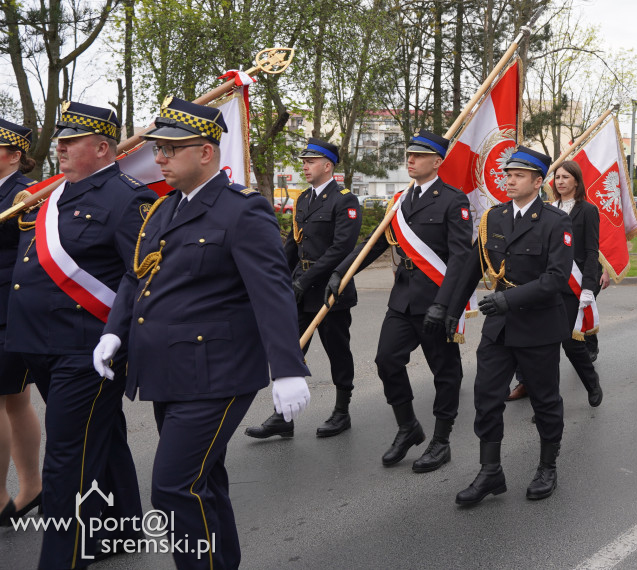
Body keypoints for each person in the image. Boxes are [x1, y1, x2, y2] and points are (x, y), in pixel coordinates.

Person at [93, 97, 311, 569]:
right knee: (203, 483)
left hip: (218, 374)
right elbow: (137, 278)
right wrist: (115, 332)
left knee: (173, 487)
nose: (160, 158)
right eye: (158, 149)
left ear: (206, 152)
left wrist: (288, 369)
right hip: (169, 372)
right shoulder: (162, 210)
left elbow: (272, 294)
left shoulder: (241, 212)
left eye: (171, 149)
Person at [5, 101, 153, 566]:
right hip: (42, 344)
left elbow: (140, 277)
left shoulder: (129, 198)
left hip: (89, 349)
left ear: (104, 148)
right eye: (61, 139)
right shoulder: (51, 196)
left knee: (67, 457)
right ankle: (125, 529)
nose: (61, 147)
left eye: (72, 140)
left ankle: (62, 558)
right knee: (103, 438)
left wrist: (118, 338)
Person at [325, 130, 472, 472]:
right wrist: (341, 272)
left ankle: (441, 440)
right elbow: (374, 244)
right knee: (386, 360)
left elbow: (462, 258)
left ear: (437, 162)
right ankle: (408, 427)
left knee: (445, 372)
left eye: (419, 155)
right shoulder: (400, 201)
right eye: (409, 154)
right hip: (403, 299)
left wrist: (445, 303)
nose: (410, 159)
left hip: (436, 301)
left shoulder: (453, 200)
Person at [448, 145, 573, 505]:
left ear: (538, 181)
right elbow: (473, 267)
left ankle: (547, 467)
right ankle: (490, 472)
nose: (510, 180)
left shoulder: (555, 221)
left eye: (518, 175)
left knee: (545, 400)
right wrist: (450, 311)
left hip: (538, 326)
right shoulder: (494, 218)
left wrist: (507, 299)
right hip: (499, 327)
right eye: (507, 174)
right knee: (487, 397)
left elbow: (556, 278)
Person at [246, 138, 362, 440]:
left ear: (327, 166)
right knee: (290, 349)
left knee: (337, 350)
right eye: (304, 161)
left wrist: (304, 281)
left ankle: (342, 410)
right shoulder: (304, 200)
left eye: (310, 161)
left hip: (330, 291)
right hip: (300, 289)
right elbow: (293, 245)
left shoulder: (345, 200)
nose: (305, 166)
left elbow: (341, 249)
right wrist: (278, 279)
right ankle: (284, 416)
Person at [512, 161, 602, 407]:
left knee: (571, 344)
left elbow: (592, 252)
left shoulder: (587, 210)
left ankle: (591, 382)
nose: (560, 181)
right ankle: (547, 402)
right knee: (545, 348)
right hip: (547, 284)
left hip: (574, 286)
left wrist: (588, 288)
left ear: (577, 180)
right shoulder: (547, 208)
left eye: (566, 177)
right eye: (558, 177)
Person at [0, 119, 41, 528]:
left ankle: (5, 497)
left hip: (6, 310)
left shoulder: (24, 195)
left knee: (9, 398)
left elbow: (30, 256)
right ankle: (32, 487)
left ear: (15, 155)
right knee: (14, 399)